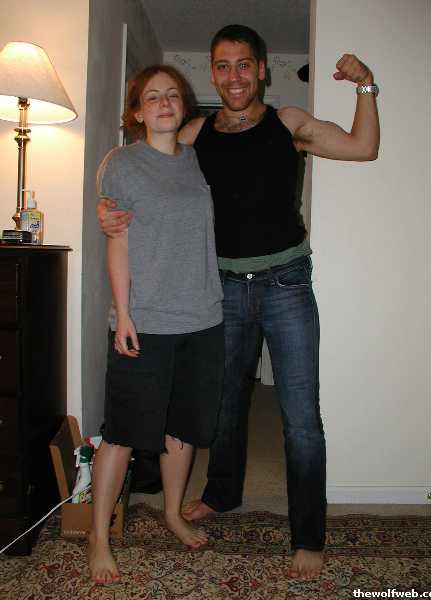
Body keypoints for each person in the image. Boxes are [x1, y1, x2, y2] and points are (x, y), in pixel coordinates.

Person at [97, 25, 380, 581]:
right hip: (219, 288)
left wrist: (366, 86)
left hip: (286, 283)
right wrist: (109, 212)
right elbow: (145, 171)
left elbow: (363, 147)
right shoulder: (195, 133)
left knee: (301, 417)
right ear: (213, 73)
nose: (234, 76)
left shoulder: (288, 123)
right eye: (223, 66)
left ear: (262, 70)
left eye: (244, 64)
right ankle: (221, 494)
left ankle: (307, 535)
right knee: (221, 406)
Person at [89, 64, 224, 585]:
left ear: (183, 106)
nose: (164, 103)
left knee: (183, 428)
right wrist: (123, 313)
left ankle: (172, 513)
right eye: (152, 97)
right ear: (138, 112)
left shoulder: (195, 158)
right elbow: (117, 241)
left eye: (172, 95)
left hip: (202, 317)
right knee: (122, 433)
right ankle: (99, 537)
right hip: (144, 320)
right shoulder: (122, 164)